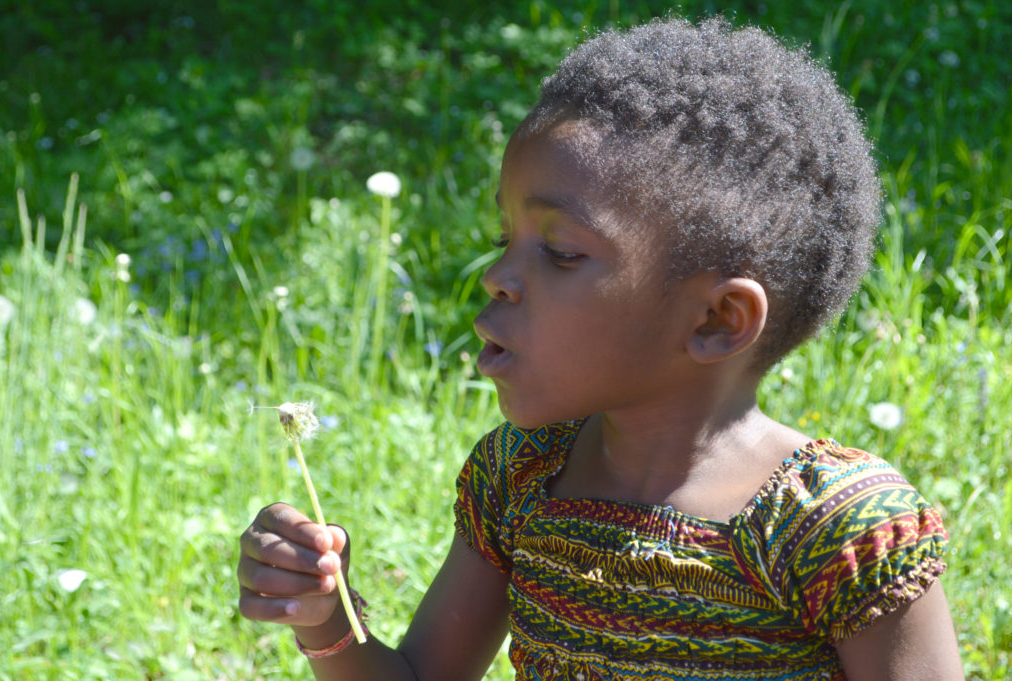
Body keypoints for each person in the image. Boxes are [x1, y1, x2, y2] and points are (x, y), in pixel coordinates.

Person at [237, 16, 964, 681]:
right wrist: (327, 620)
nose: (496, 276)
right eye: (504, 241)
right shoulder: (520, 479)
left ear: (717, 318)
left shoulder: (839, 531)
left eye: (557, 250)